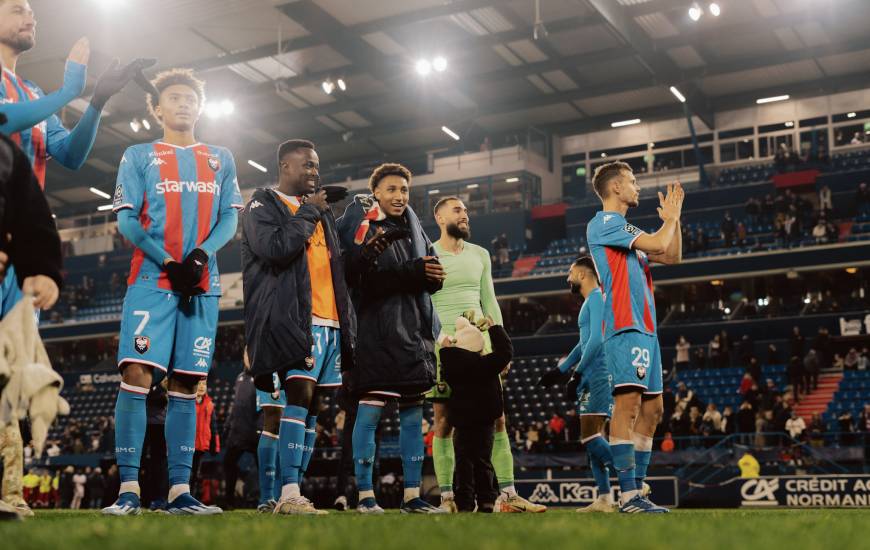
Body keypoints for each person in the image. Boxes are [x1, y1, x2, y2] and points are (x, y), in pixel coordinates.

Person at [103, 68, 242, 516]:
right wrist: (167, 260)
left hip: (201, 286)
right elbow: (126, 220)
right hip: (151, 282)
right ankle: (129, 490)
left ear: (199, 108)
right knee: (138, 377)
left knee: (187, 384)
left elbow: (229, 219)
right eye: (174, 98)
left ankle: (181, 492)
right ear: (158, 108)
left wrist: (200, 255)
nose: (184, 104)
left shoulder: (221, 157)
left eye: (190, 98)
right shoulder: (138, 155)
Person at [241, 140, 355, 515]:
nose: (314, 172)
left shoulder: (318, 213)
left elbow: (337, 266)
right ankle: (286, 493)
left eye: (317, 165)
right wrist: (309, 212)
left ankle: (296, 493)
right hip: (295, 322)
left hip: (331, 323)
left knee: (313, 410)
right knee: (297, 401)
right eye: (307, 165)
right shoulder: (263, 204)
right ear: (285, 167)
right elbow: (274, 248)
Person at [337, 163, 446, 514]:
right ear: (377, 192)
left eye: (404, 190)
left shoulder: (415, 229)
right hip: (375, 333)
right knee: (368, 415)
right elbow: (358, 280)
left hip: (414, 333)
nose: (399, 196)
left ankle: (413, 497)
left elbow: (429, 268)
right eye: (392, 190)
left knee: (414, 414)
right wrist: (410, 273)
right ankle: (365, 496)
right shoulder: (361, 224)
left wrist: (432, 277)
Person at [427, 196, 539, 513]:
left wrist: (499, 343)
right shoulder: (427, 253)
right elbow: (422, 304)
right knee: (443, 422)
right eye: (458, 210)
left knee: (498, 418)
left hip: (480, 350)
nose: (465, 214)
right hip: (443, 350)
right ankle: (448, 498)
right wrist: (436, 336)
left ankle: (508, 495)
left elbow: (489, 301)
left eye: (466, 210)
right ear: (439, 217)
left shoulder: (480, 254)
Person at [586, 162, 684, 513]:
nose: (637, 186)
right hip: (625, 326)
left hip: (647, 329)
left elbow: (672, 254)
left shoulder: (627, 232)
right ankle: (628, 497)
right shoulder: (606, 223)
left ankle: (638, 490)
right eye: (632, 181)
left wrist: (677, 218)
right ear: (615, 188)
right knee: (627, 406)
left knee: (654, 409)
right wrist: (668, 219)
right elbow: (661, 239)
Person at [539, 256, 616, 512]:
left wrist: (576, 374)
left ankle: (634, 480)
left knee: (591, 436)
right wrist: (558, 371)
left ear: (583, 275)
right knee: (591, 439)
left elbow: (596, 341)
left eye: (570, 273)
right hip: (590, 373)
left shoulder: (595, 298)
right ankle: (605, 499)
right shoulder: (590, 301)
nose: (568, 278)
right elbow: (583, 344)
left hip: (597, 374)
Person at [441, 316, 512, 513]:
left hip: (462, 422)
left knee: (463, 461)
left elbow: (446, 352)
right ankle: (486, 500)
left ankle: (464, 502)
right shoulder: (487, 364)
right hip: (484, 421)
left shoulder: (452, 365)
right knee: (483, 460)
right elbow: (506, 352)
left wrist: (448, 344)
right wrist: (495, 328)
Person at [221, 353, 258, 510]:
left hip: (255, 432)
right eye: (246, 355)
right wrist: (227, 426)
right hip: (238, 432)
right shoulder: (239, 377)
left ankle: (266, 499)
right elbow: (236, 406)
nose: (248, 358)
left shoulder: (263, 377)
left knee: (265, 466)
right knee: (228, 463)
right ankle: (229, 501)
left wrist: (260, 429)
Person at [142, 379, 168, 511]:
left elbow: (162, 401)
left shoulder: (164, 387)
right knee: (146, 465)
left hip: (160, 427)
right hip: (146, 425)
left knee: (160, 464)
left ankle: (160, 499)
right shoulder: (152, 384)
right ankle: (146, 499)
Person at [191, 380, 219, 499]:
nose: (201, 387)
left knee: (197, 474)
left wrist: (215, 445)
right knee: (187, 474)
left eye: (204, 384)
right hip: (188, 445)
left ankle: (193, 497)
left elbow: (213, 426)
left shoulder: (210, 404)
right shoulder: (189, 402)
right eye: (199, 384)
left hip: (201, 446)